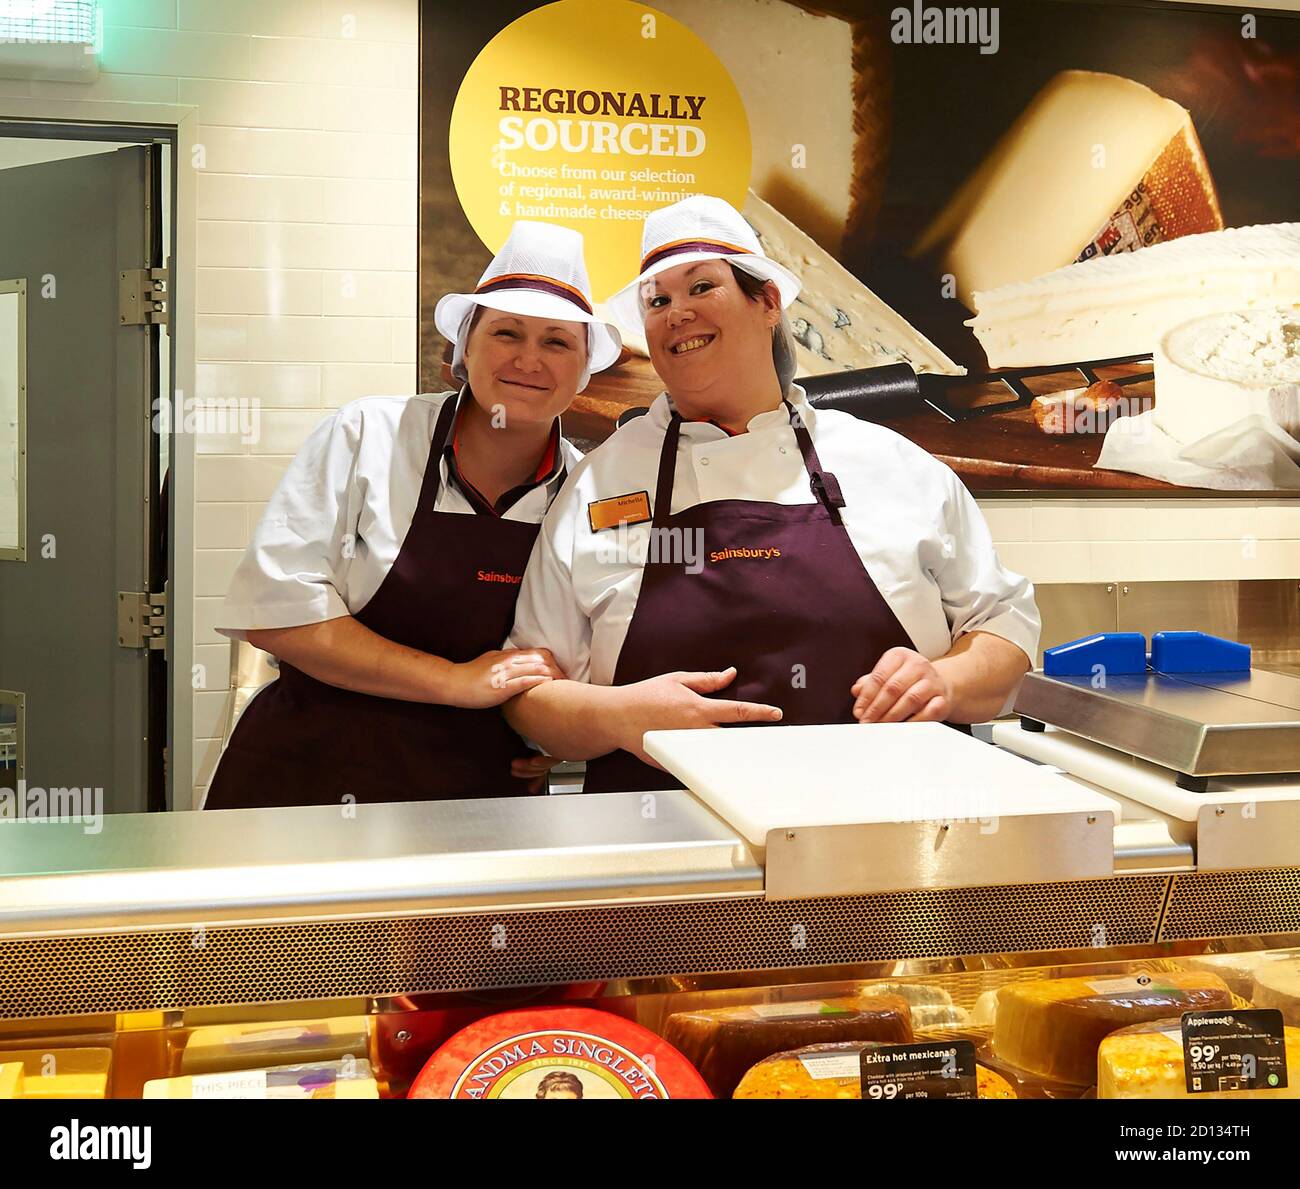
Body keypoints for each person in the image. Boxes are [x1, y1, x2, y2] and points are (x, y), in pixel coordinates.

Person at [503, 195, 1040, 793]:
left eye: (701, 287)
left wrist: (944, 684)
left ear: (768, 303)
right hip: (671, 855)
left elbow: (1005, 625)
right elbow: (529, 695)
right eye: (657, 301)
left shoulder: (890, 465)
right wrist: (619, 717)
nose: (676, 312)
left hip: (885, 837)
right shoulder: (598, 484)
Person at [202, 221, 620, 808]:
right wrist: (455, 680)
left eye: (557, 342)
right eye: (506, 333)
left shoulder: (586, 494)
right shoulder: (369, 435)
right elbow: (277, 615)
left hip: (475, 797)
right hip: (306, 777)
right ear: (464, 348)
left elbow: (577, 662)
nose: (530, 359)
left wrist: (555, 729)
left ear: (584, 371)